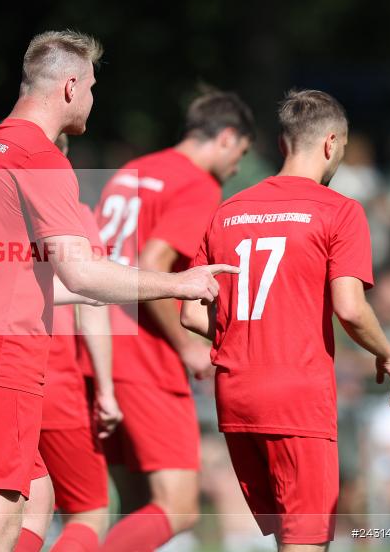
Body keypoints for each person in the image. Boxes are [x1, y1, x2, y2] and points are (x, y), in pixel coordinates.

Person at [0, 30, 237, 552]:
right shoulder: (39, 157)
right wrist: (180, 283)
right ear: (70, 88)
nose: (92, 98)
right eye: (90, 86)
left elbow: (10, 275)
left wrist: (92, 294)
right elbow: (81, 272)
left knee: (38, 495)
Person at [181, 89, 390, 551]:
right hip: (297, 397)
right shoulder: (339, 210)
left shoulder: (226, 212)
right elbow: (350, 308)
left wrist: (248, 332)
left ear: (283, 145)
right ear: (329, 144)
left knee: (286, 535)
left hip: (237, 397)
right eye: (341, 149)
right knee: (306, 541)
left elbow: (190, 311)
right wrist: (386, 352)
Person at [93, 91, 255, 551]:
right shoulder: (197, 183)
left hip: (97, 340)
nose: (237, 167)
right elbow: (152, 263)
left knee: (138, 504)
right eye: (240, 154)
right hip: (144, 352)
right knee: (180, 506)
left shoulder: (132, 171)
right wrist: (187, 346)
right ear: (226, 138)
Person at [39, 134, 121, 552]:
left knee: (21, 504)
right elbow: (93, 299)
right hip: (52, 378)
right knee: (89, 509)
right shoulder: (70, 213)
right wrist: (106, 391)